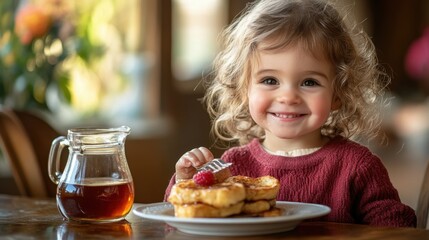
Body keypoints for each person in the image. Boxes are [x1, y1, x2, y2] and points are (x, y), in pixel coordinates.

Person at [164, 0, 416, 227]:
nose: (288, 97)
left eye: (309, 82)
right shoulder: (233, 166)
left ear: (338, 94)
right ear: (244, 89)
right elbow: (183, 216)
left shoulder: (357, 167)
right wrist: (188, 181)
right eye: (270, 80)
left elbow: (395, 228)